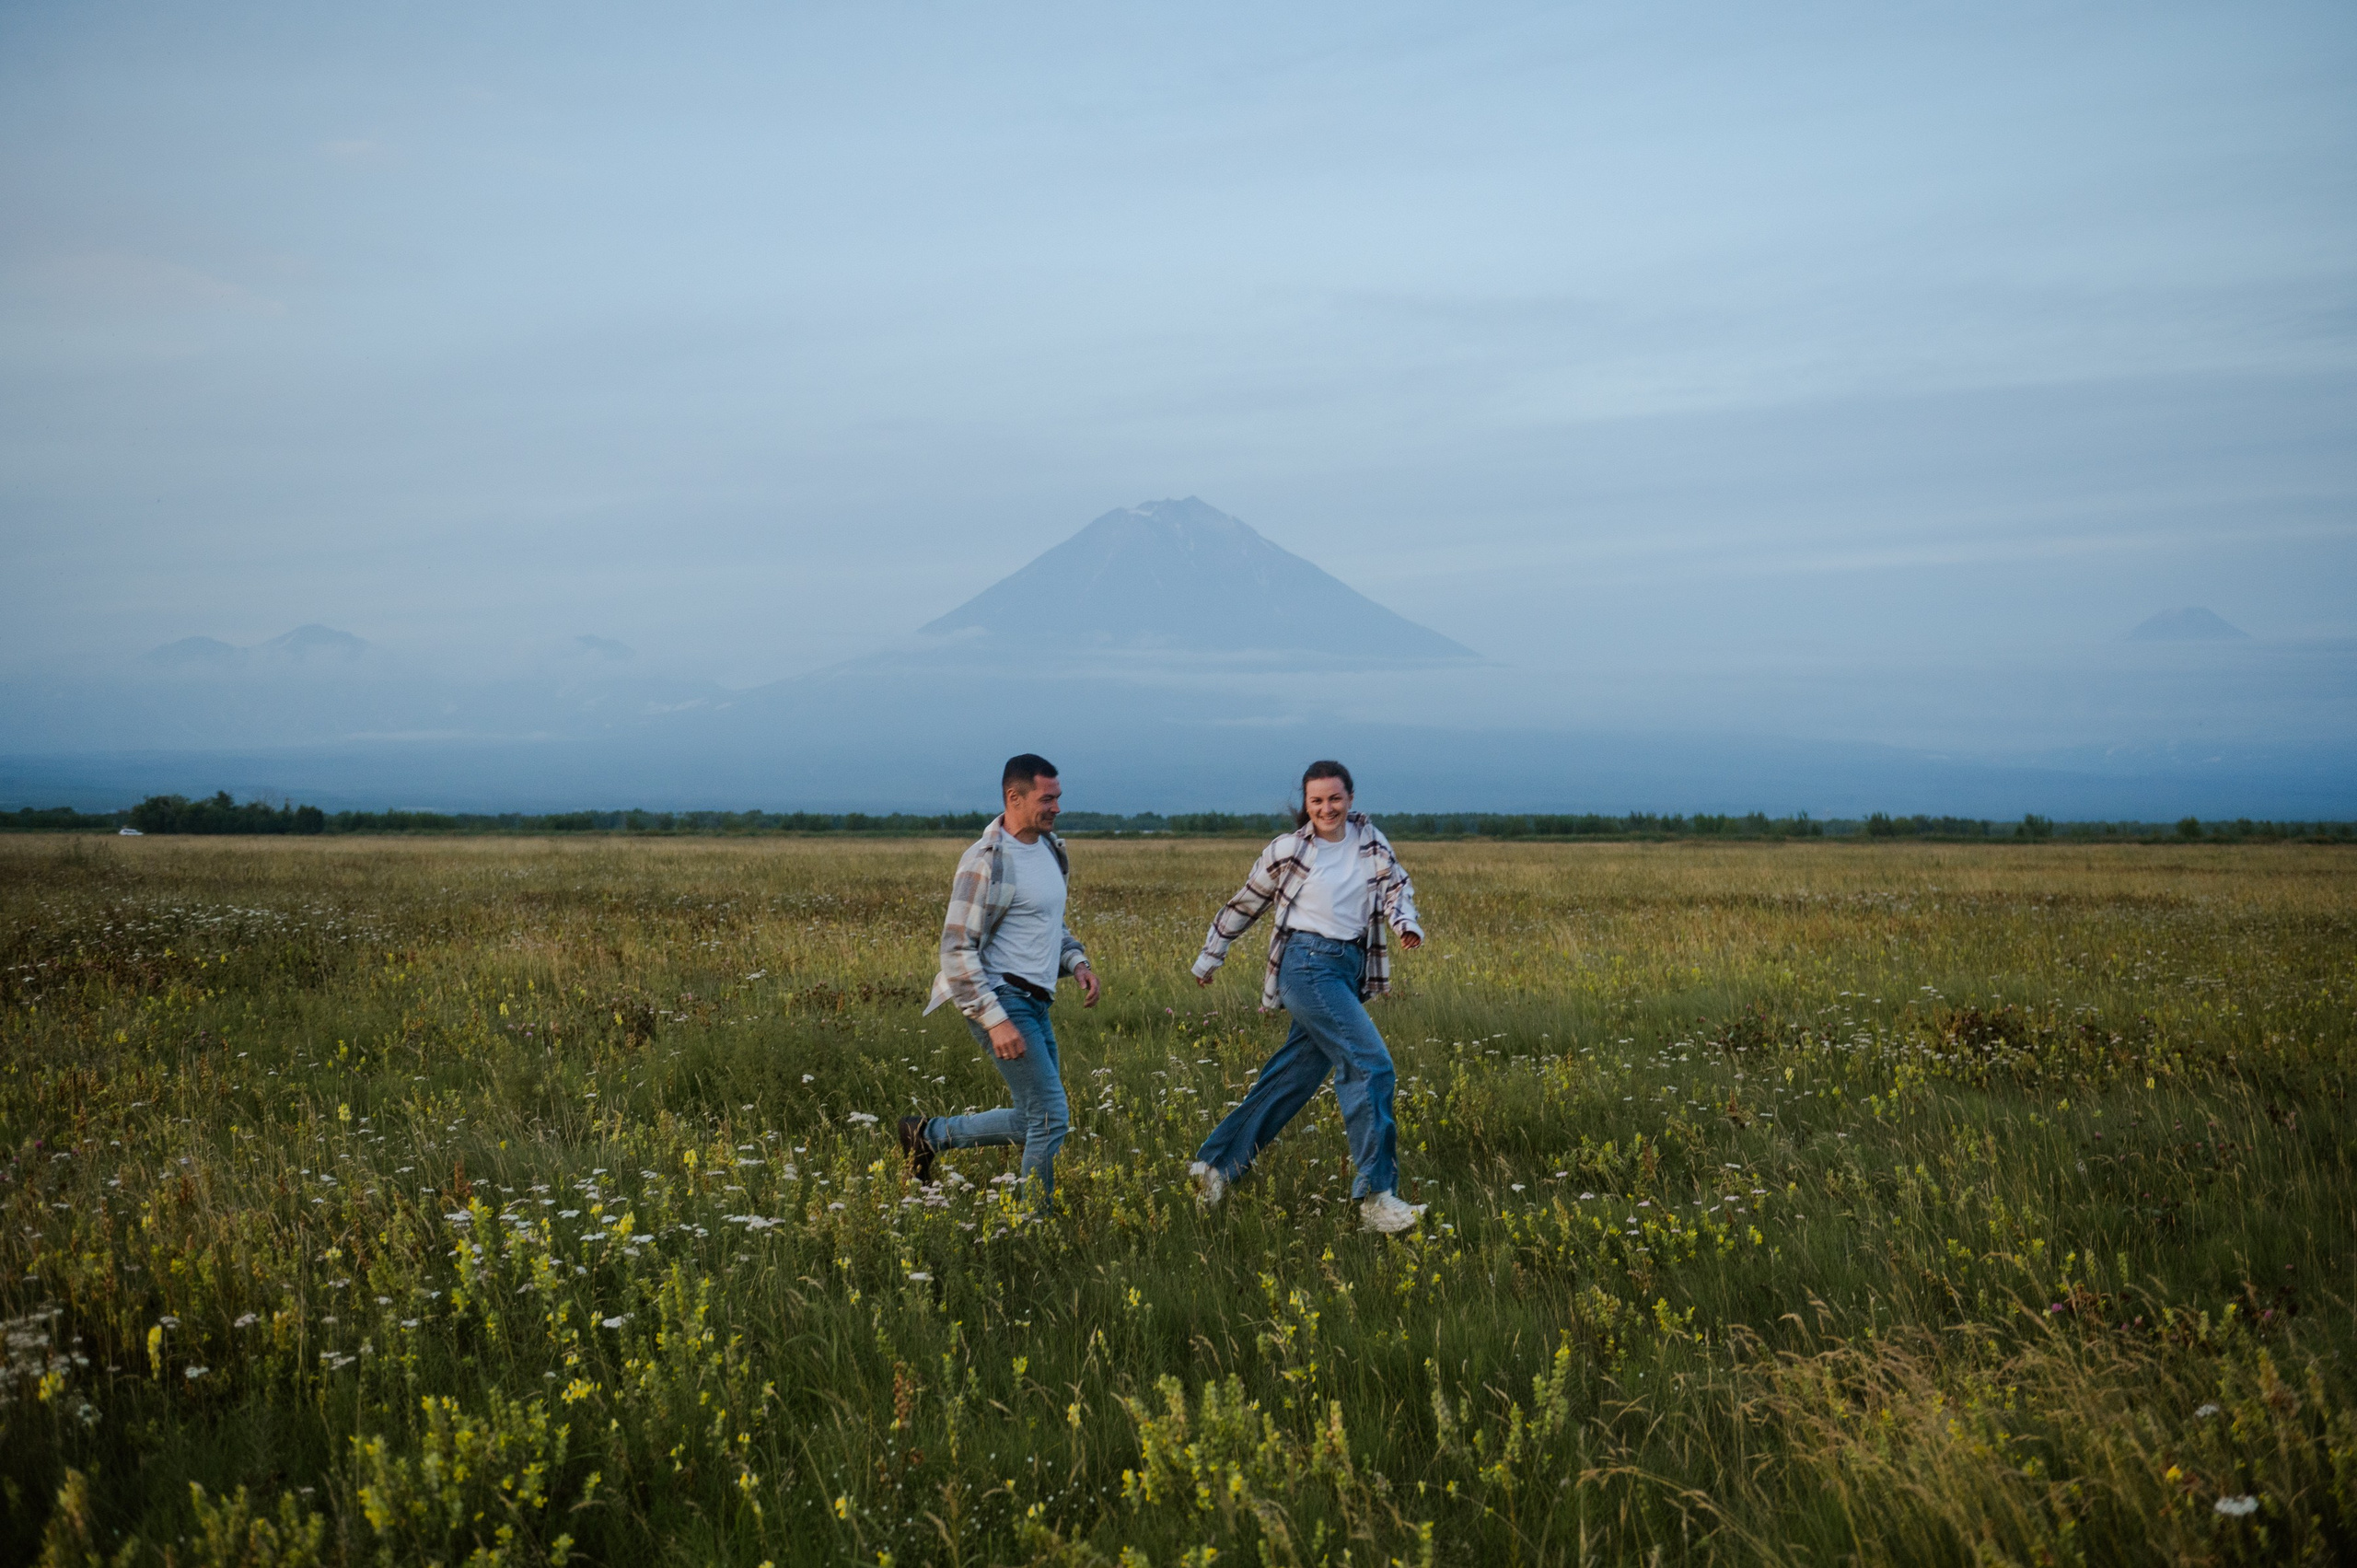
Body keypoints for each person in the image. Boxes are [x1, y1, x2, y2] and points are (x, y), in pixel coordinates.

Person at [1187, 760, 1428, 1234]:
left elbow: (1397, 888)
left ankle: (1213, 1167)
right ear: (1306, 803)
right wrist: (1210, 956)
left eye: (1335, 798)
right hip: (1306, 966)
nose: (1326, 808)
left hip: (1347, 969)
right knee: (1370, 1065)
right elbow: (1246, 903)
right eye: (1316, 800)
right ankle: (1377, 1198)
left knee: (1293, 1078)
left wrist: (1405, 925)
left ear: (1350, 798)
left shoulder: (1372, 842)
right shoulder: (1288, 850)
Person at [901, 753, 1100, 1211]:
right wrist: (994, 1020)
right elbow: (955, 950)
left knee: (1032, 1118)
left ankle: (925, 1135)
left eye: (1057, 798)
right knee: (1050, 1120)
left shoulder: (1051, 850)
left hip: (1035, 1001)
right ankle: (1036, 1223)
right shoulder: (986, 861)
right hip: (1002, 998)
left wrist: (1076, 963)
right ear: (1014, 797)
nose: (1056, 807)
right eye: (1046, 799)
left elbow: (1048, 923)